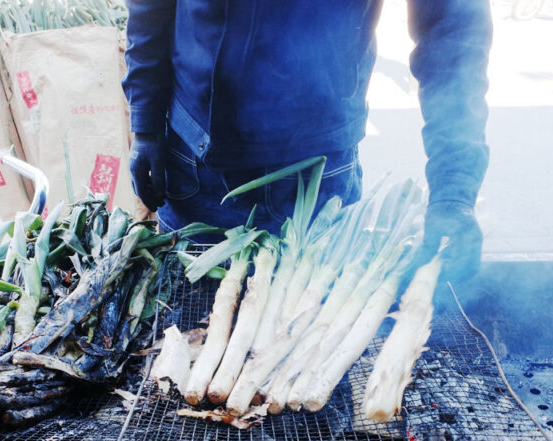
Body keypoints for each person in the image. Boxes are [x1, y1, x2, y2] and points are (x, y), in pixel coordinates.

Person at [124, 0, 491, 284]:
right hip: (197, 167)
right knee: (182, 344)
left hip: (320, 174)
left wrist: (454, 189)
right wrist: (145, 120)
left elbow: (452, 28)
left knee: (314, 337)